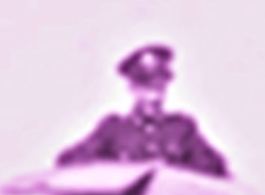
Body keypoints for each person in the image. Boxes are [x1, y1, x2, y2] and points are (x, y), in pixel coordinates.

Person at [55, 43, 229, 176]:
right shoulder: (113, 130)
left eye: (159, 88)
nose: (153, 97)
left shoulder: (181, 129)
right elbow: (68, 161)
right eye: (146, 88)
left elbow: (216, 167)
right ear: (133, 89)